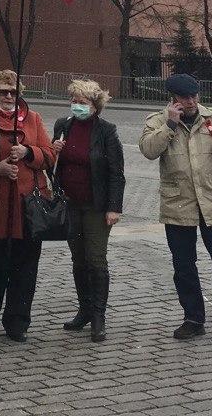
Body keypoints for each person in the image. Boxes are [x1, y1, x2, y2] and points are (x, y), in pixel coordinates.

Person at [138, 73, 212, 351]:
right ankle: (193, 318)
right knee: (184, 266)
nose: (190, 102)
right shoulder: (158, 120)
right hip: (178, 203)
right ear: (173, 98)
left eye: (194, 96)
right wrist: (170, 124)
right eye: (184, 97)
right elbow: (148, 150)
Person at [0, 70, 57, 342]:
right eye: (3, 91)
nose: (8, 97)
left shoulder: (33, 119)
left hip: (27, 203)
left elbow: (50, 155)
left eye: (13, 92)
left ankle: (18, 321)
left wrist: (28, 152)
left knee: (25, 265)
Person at [52, 79, 125, 343]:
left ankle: (98, 316)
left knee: (96, 259)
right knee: (78, 259)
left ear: (95, 106)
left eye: (82, 103)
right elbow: (53, 164)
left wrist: (114, 207)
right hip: (69, 203)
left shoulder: (106, 131)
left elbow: (117, 173)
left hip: (96, 205)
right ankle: (83, 309)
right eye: (74, 101)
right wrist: (53, 149)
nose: (77, 106)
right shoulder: (63, 126)